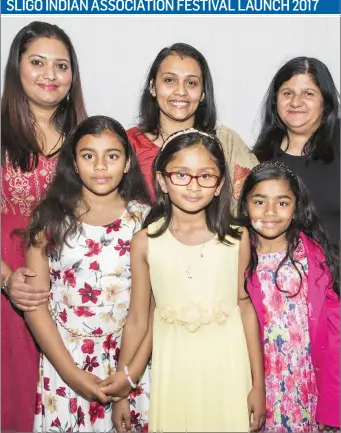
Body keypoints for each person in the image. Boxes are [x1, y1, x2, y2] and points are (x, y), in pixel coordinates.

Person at [98, 129, 265, 432]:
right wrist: (122, 389)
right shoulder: (145, 243)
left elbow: (245, 308)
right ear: (162, 180)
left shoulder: (237, 239)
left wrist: (258, 384)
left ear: (219, 185)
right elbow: (137, 320)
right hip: (174, 370)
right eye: (182, 175)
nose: (193, 186)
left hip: (228, 368)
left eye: (206, 176)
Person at [23, 115, 151, 432]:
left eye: (112, 155)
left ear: (127, 164)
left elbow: (150, 311)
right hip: (65, 362)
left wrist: (128, 376)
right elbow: (34, 304)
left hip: (129, 362)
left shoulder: (144, 220)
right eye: (88, 155)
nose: (100, 165)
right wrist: (72, 374)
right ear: (74, 164)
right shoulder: (50, 218)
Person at [1, 21, 87, 431]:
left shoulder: (85, 141)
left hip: (72, 295)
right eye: (37, 62)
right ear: (16, 68)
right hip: (11, 288)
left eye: (61, 65)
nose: (50, 75)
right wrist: (7, 281)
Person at [237, 161, 340, 432]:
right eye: (260, 201)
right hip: (255, 387)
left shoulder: (315, 257)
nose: (270, 212)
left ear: (297, 209)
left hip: (307, 390)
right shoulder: (234, 257)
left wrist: (332, 407)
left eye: (282, 203)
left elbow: (334, 336)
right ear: (245, 205)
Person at [127, 42, 258, 207]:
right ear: (153, 87)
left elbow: (260, 201)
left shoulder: (225, 142)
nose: (181, 91)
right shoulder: (128, 144)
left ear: (203, 93)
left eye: (191, 83)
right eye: (170, 80)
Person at [252, 57, 340, 247]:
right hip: (281, 274)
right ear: (275, 101)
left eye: (308, 93)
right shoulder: (258, 159)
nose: (295, 102)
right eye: (287, 93)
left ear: (325, 101)